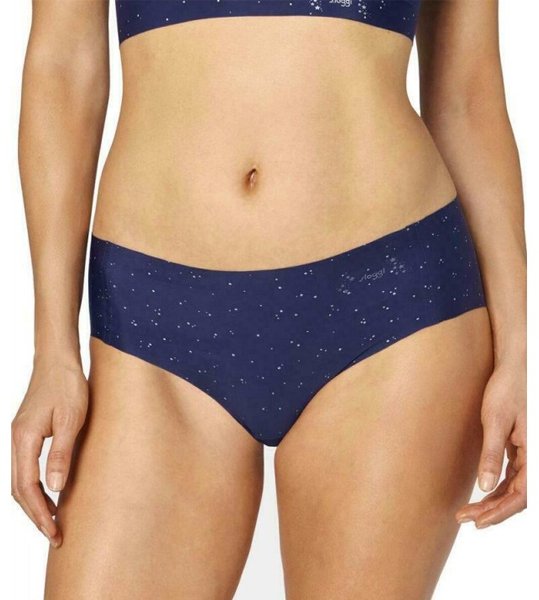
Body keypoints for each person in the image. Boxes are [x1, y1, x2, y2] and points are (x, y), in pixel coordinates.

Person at [12, 1, 526, 598]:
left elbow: (467, 94)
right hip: (148, 321)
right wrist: (53, 350)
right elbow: (63, 65)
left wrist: (519, 350)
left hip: (391, 309)